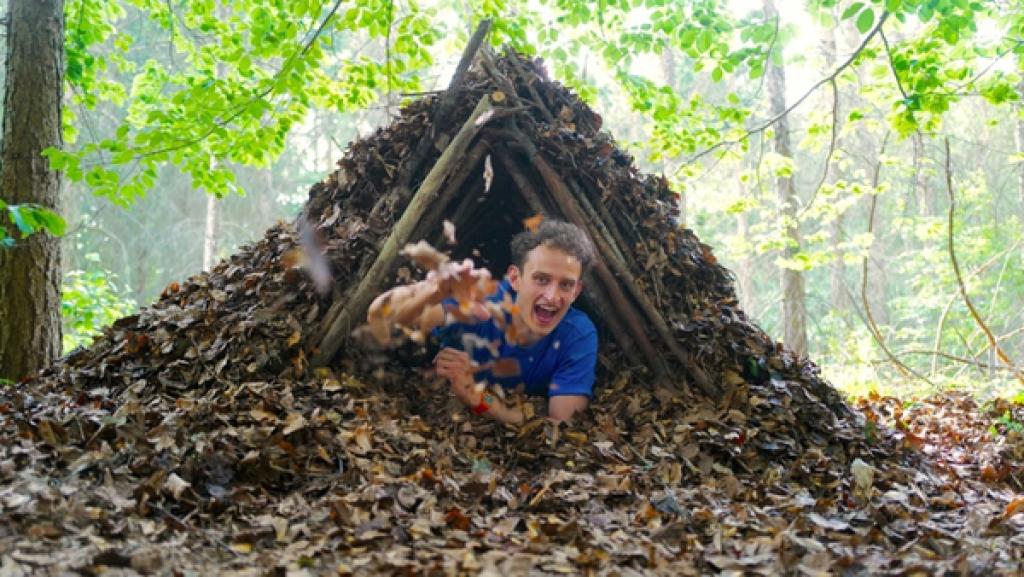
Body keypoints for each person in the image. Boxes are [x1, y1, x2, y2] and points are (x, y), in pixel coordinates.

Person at [366, 220, 598, 424]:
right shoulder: (480, 305)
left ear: (577, 291)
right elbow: (380, 318)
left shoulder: (577, 335)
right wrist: (430, 292)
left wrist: (480, 400)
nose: (552, 296)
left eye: (565, 284)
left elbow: (561, 427)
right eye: (541, 279)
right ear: (515, 278)